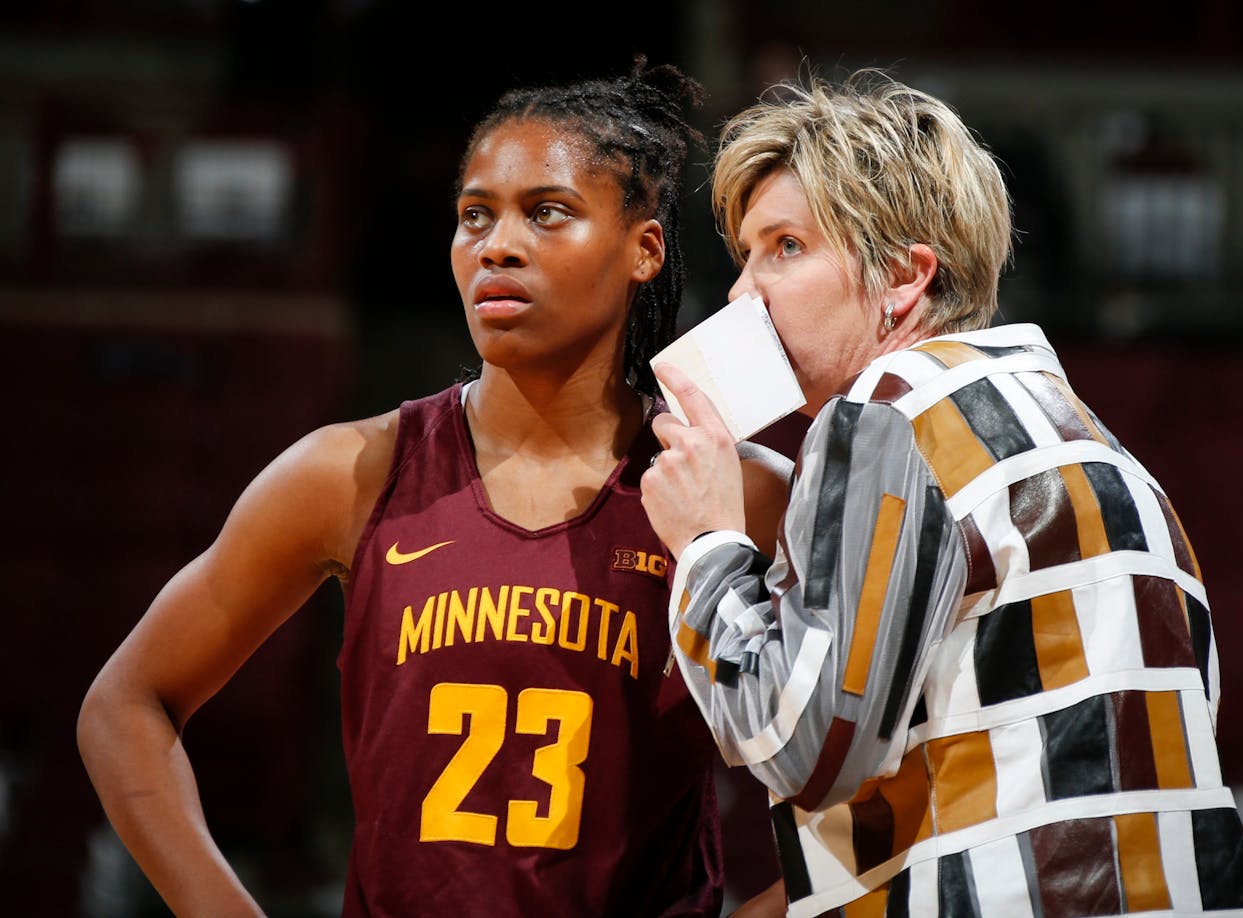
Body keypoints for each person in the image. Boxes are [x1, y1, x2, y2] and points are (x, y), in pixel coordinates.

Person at [77, 60, 788, 917]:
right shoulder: (350, 473)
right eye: (474, 216)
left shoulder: (729, 488)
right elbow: (125, 707)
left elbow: (888, 758)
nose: (498, 244)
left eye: (547, 212)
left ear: (645, 249)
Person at [641, 70, 1243, 917]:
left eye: (786, 247)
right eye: (746, 254)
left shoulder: (885, 413)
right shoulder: (1107, 452)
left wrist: (709, 543)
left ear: (904, 278)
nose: (745, 291)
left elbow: (802, 745)